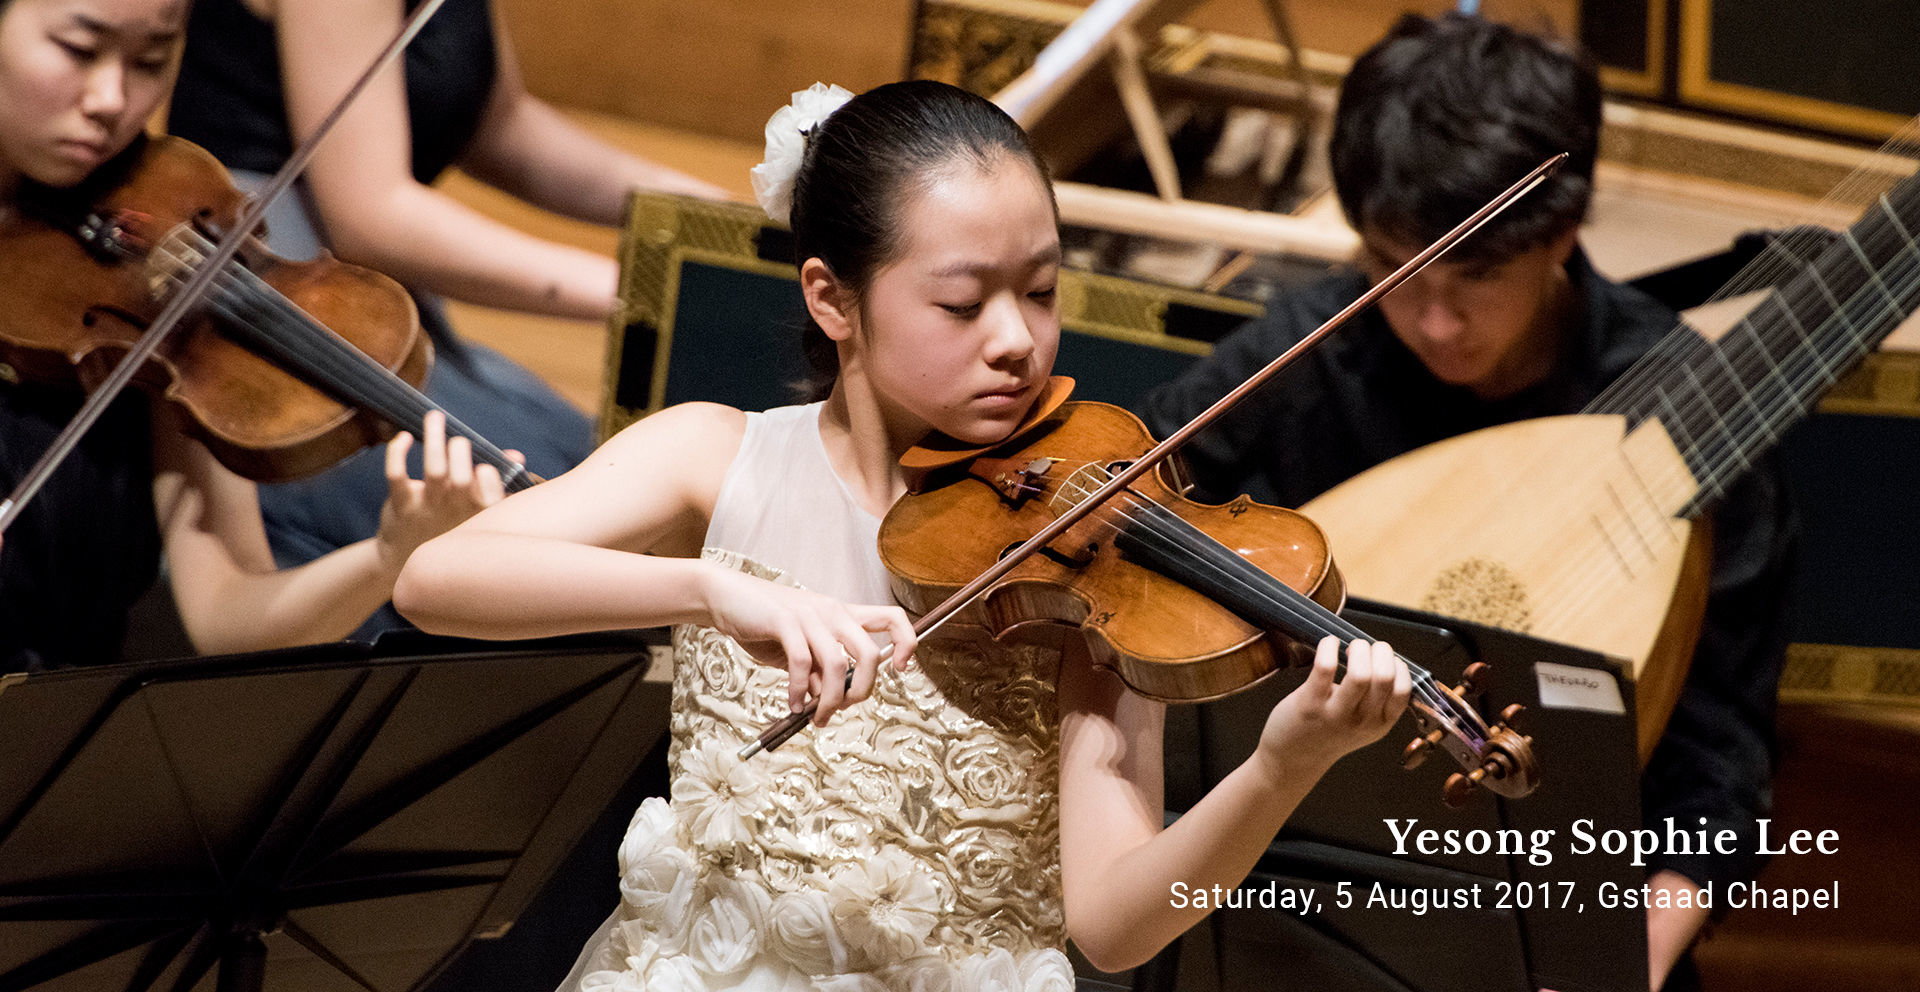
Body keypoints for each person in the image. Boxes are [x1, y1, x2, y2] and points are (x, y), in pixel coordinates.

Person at [395, 79, 1415, 988]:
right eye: (962, 303)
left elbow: (1115, 928)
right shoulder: (712, 455)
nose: (1016, 339)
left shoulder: (1083, 564)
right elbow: (439, 578)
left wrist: (1280, 767)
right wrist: (710, 589)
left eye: (1042, 291)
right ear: (832, 298)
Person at [1140, 14, 1795, 990]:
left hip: (1562, 887)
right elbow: (1139, 489)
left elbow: (1717, 776)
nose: (1435, 322)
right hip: (1314, 861)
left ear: (1562, 232)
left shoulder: (1688, 421)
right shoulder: (1322, 344)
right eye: (1394, 271)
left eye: (1478, 277)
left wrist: (1626, 963)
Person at [166, 0, 728, 634]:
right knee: (567, 520)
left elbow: (503, 129)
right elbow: (370, 216)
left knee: (613, 474)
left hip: (366, 298)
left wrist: (719, 217)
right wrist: (639, 292)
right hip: (268, 295)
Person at [0, 0, 505, 673]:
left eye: (151, 61)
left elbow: (227, 617)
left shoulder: (153, 273)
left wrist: (388, 557)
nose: (112, 100)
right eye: (78, 49)